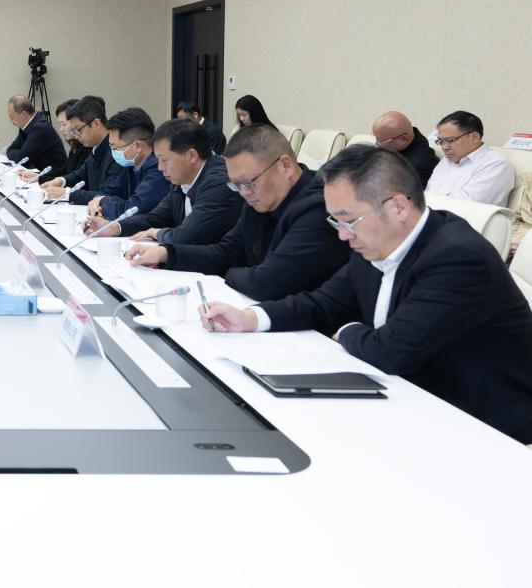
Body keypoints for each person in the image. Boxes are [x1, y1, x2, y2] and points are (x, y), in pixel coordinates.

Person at [201, 145, 532, 443]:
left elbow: (390, 351)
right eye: (336, 222)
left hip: (483, 423)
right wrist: (250, 318)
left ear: (398, 207)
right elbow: (323, 303)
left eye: (348, 221)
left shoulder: (458, 257)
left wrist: (347, 330)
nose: (342, 236)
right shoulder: (374, 242)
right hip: (409, 396)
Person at [125, 124, 349, 301]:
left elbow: (265, 283)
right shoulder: (258, 200)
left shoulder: (318, 209)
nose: (243, 193)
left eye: (248, 182)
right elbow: (226, 253)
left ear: (285, 167)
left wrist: (229, 272)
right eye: (236, 185)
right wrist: (166, 253)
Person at [95, 117, 243, 245]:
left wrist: (158, 234)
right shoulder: (181, 180)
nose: (160, 167)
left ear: (191, 155)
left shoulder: (219, 183)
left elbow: (189, 235)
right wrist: (114, 227)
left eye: (164, 160)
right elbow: (154, 219)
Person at [81, 108, 166, 221]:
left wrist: (101, 201)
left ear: (137, 146)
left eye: (115, 147)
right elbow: (108, 191)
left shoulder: (159, 170)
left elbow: (132, 209)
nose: (113, 152)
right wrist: (97, 201)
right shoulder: (131, 166)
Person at [42, 96, 123, 204]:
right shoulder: (95, 148)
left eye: (78, 130)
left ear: (96, 124)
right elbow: (79, 174)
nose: (76, 136)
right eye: (73, 132)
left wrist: (66, 193)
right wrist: (60, 181)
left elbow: (108, 195)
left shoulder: (118, 152)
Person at [426, 110, 516, 206]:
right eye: (441, 142)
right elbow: (427, 195)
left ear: (475, 137)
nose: (444, 147)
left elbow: (469, 205)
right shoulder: (446, 161)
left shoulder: (496, 164)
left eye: (450, 140)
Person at [20, 99, 81, 185]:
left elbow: (74, 180)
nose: (61, 129)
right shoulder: (75, 146)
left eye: (64, 124)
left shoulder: (86, 149)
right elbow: (63, 172)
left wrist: (40, 179)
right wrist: (38, 177)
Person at [371, 110, 440, 184]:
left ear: (403, 139)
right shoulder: (409, 137)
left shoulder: (418, 166)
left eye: (380, 142)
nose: (377, 144)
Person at [3, 95, 66, 176]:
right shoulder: (28, 126)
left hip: (54, 177)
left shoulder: (40, 128)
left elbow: (21, 158)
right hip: (41, 175)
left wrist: (21, 155)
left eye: (12, 117)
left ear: (23, 114)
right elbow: (10, 150)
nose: (11, 121)